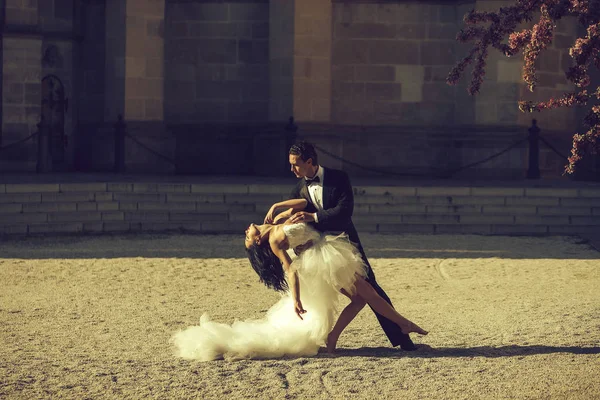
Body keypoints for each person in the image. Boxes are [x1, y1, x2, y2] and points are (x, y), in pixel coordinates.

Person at [170, 201, 427, 361]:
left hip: (327, 252)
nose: (246, 230)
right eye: (247, 236)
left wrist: (277, 208)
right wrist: (296, 299)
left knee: (361, 299)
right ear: (258, 241)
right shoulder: (273, 240)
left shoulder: (276, 221)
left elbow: (302, 201)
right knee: (367, 293)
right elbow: (291, 269)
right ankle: (404, 323)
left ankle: (334, 336)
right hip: (322, 259)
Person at [265, 141, 420, 352]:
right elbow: (296, 223)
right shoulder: (298, 189)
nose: (292, 169)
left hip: (348, 244)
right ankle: (398, 332)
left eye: (296, 165)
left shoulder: (339, 178)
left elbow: (344, 211)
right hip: (322, 255)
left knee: (370, 289)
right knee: (362, 295)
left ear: (309, 161)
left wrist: (313, 216)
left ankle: (403, 339)